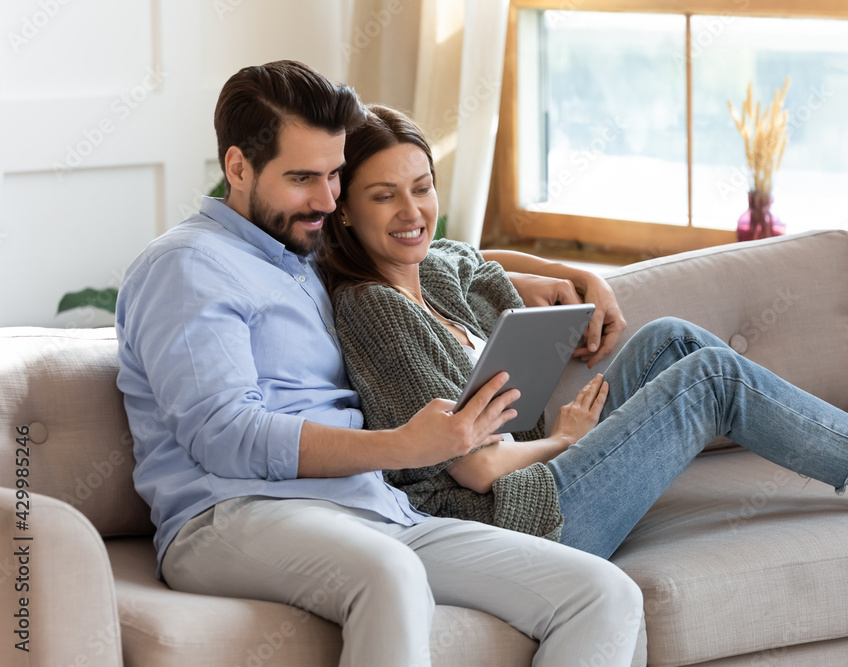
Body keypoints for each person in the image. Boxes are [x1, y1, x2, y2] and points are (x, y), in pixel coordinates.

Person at [116, 61, 646, 667]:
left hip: (372, 508)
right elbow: (225, 435)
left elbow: (433, 249)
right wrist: (404, 445)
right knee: (391, 573)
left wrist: (568, 277)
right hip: (233, 516)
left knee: (602, 593)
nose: (324, 198)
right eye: (301, 178)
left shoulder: (300, 249)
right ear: (237, 167)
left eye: (334, 175)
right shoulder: (189, 266)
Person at [321, 104, 848, 561]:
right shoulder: (374, 307)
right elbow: (469, 464)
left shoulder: (432, 270)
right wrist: (564, 439)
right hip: (513, 516)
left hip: (542, 465)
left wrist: (568, 275)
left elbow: (476, 257)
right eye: (384, 195)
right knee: (709, 376)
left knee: (672, 336)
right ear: (343, 209)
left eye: (423, 186)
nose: (413, 211)